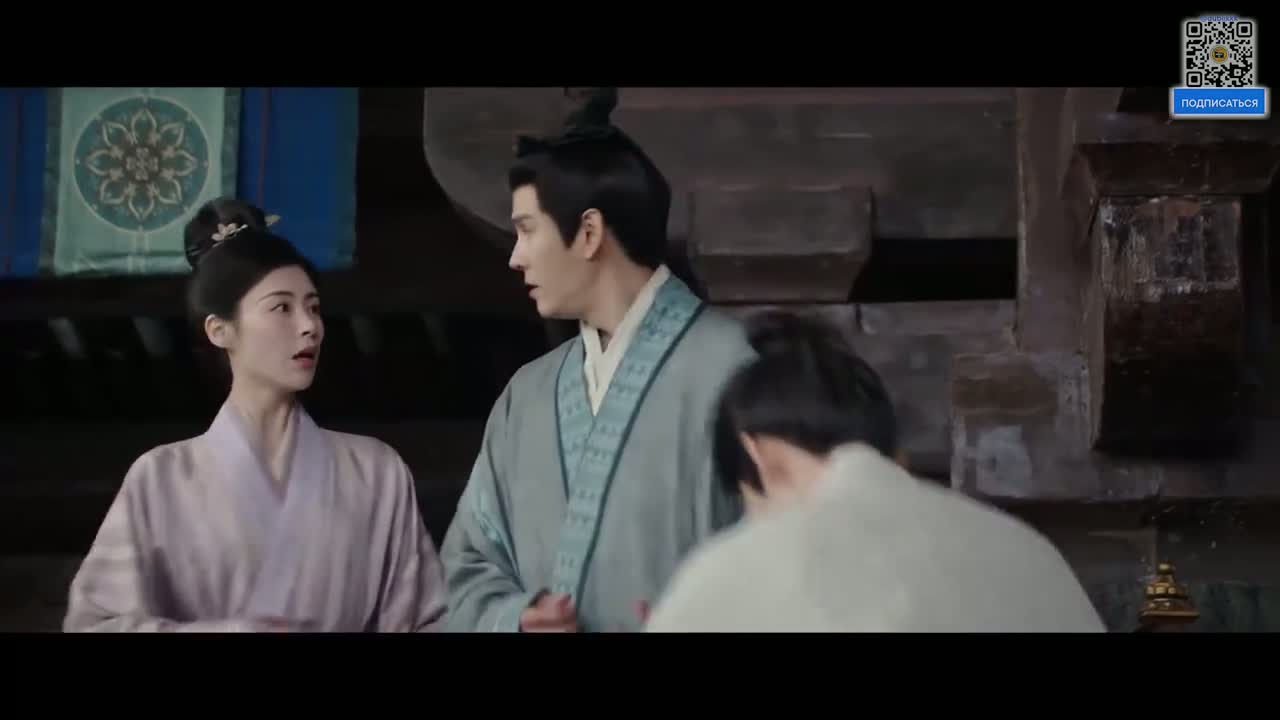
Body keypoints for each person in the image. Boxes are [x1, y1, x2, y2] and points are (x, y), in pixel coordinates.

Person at [439, 89, 754, 632]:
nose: (514, 257)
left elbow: (790, 560)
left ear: (588, 233)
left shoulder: (732, 369)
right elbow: (466, 565)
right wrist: (516, 618)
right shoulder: (527, 395)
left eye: (526, 229)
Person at [63, 198, 447, 632]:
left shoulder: (376, 471)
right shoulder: (160, 478)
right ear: (220, 330)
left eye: (313, 307)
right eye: (282, 307)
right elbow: (95, 625)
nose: (310, 326)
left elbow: (427, 621)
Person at [644, 311, 1107, 633]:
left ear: (767, 459)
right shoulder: (1030, 555)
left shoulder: (732, 578)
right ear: (895, 458)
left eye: (750, 508)